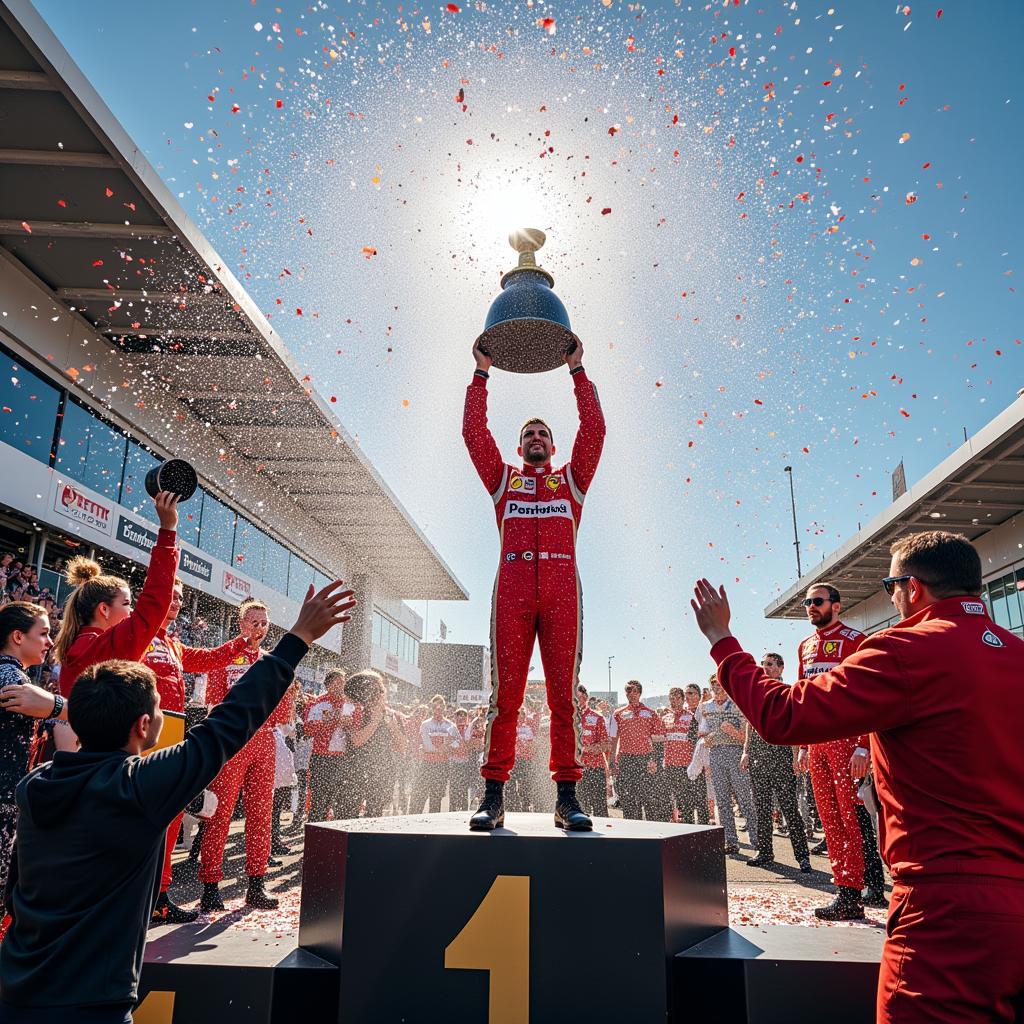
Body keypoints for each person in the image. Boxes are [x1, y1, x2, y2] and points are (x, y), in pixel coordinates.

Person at [692, 530, 1024, 1024]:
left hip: (947, 908)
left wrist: (723, 642)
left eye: (891, 584)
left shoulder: (902, 649)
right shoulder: (1015, 653)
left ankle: (856, 886)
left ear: (913, 589)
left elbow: (783, 715)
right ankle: (849, 887)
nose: (891, 596)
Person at [0, 581, 355, 1024]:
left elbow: (15, 896)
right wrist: (298, 638)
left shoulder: (33, 787)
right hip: (93, 1007)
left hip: (16, 993)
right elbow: (226, 725)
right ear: (146, 725)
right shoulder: (143, 787)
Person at [464, 337, 605, 832]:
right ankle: (493, 796)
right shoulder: (505, 480)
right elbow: (473, 432)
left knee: (564, 697)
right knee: (506, 695)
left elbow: (595, 429)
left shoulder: (572, 481)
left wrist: (577, 372)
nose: (537, 439)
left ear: (554, 444)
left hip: (564, 592)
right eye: (530, 434)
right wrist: (482, 374)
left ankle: (567, 797)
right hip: (513, 594)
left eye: (544, 433)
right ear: (520, 446)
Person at [142, 577, 259, 925]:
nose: (176, 603)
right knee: (144, 817)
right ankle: (134, 896)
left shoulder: (174, 644)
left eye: (180, 598)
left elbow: (209, 659)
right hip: (142, 735)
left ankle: (160, 897)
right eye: (170, 596)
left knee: (171, 816)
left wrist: (242, 641)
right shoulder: (136, 635)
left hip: (173, 733)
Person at [197, 598, 295, 912]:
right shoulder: (224, 657)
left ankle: (256, 884)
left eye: (264, 623)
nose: (259, 628)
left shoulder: (271, 662)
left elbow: (282, 716)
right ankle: (210, 886)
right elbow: (212, 706)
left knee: (261, 815)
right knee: (220, 814)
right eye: (253, 621)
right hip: (232, 743)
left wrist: (286, 688)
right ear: (241, 623)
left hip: (264, 742)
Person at [795, 582, 884, 918]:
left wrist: (863, 745)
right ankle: (846, 889)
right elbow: (804, 695)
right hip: (818, 742)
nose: (810, 607)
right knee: (829, 819)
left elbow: (868, 696)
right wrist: (804, 743)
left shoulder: (855, 640)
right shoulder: (804, 646)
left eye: (817, 601)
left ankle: (863, 887)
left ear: (836, 605)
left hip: (847, 741)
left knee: (853, 818)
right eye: (807, 602)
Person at [53, 492, 180, 697]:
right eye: (127, 603)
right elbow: (153, 603)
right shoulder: (106, 647)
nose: (131, 611)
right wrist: (168, 531)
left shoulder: (78, 645)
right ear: (104, 609)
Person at [0, 604, 70, 906]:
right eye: (43, 634)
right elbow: (39, 704)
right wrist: (59, 704)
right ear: (18, 636)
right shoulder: (7, 675)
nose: (50, 642)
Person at [740, 653, 810, 871]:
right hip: (758, 756)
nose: (765, 668)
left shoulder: (788, 691)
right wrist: (746, 751)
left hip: (781, 755)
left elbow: (796, 724)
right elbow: (750, 725)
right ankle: (765, 852)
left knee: (790, 808)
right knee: (761, 807)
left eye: (770, 665)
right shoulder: (756, 693)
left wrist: (796, 755)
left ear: (780, 668)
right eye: (763, 664)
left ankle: (802, 856)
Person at [698, 676, 757, 854]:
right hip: (716, 754)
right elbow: (702, 734)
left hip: (736, 753)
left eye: (720, 684)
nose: (717, 687)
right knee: (722, 801)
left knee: (745, 798)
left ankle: (757, 841)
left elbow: (746, 736)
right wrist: (707, 738)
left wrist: (731, 731)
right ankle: (730, 841)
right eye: (713, 684)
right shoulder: (705, 707)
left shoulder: (738, 704)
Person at [304, 669, 362, 822]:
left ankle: (338, 838)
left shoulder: (352, 704)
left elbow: (358, 729)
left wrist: (350, 724)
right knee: (319, 801)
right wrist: (328, 720)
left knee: (342, 802)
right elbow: (308, 730)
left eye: (343, 683)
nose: (341, 687)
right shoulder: (317, 703)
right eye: (337, 683)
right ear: (328, 685)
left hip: (344, 760)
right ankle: (316, 837)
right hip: (321, 758)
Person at [344, 670, 404, 818]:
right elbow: (357, 741)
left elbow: (403, 745)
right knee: (349, 813)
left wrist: (392, 725)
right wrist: (375, 720)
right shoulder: (354, 710)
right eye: (381, 689)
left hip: (382, 770)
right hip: (356, 770)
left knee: (375, 814)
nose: (384, 692)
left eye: (383, 689)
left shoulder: (389, 713)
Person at [611, 681, 665, 820]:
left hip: (645, 759)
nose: (631, 694)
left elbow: (658, 740)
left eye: (634, 691)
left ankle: (652, 830)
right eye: (628, 691)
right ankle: (632, 830)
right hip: (626, 759)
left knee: (648, 797)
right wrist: (612, 761)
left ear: (640, 693)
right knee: (629, 798)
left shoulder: (651, 713)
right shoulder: (618, 713)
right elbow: (614, 739)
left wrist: (655, 760)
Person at [660, 686, 707, 826]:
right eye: (671, 698)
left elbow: (699, 740)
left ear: (683, 699)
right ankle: (686, 829)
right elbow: (661, 741)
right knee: (680, 801)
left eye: (677, 698)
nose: (674, 701)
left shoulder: (692, 717)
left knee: (696, 799)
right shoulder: (665, 718)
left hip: (688, 765)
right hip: (670, 765)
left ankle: (703, 829)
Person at [409, 695, 458, 814]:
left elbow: (457, 744)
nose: (438, 709)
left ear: (444, 708)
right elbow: (427, 745)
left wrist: (447, 747)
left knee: (436, 798)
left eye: (441, 706)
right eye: (436, 706)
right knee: (420, 795)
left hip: (443, 765)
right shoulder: (425, 724)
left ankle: (433, 825)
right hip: (427, 764)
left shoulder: (451, 725)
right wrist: (444, 748)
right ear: (432, 708)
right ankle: (413, 821)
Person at [576, 685, 610, 817]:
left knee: (599, 807)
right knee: (580, 807)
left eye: (578, 697)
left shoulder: (597, 717)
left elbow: (606, 744)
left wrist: (587, 749)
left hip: (595, 768)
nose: (575, 700)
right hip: (576, 769)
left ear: (585, 698)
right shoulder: (569, 718)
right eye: (573, 697)